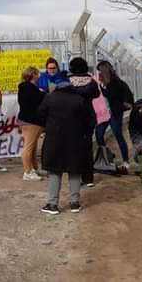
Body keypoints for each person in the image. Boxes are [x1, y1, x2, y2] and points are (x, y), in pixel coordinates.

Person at [37, 75, 97, 215]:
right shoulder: (79, 99)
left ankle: (52, 204)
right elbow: (90, 120)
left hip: (54, 139)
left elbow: (40, 116)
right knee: (74, 170)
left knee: (54, 170)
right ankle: (74, 203)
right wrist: (84, 133)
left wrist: (48, 127)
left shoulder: (50, 98)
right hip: (75, 139)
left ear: (57, 86)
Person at [67, 57, 100, 187]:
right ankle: (88, 178)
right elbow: (97, 95)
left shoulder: (68, 82)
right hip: (88, 118)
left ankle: (76, 176)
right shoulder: (91, 82)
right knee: (87, 148)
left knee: (73, 148)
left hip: (71, 119)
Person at [95, 60, 133, 170]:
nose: (98, 74)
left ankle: (126, 160)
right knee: (99, 134)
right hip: (103, 114)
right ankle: (107, 156)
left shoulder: (116, 82)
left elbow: (112, 94)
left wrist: (100, 87)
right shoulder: (99, 83)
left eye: (99, 72)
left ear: (104, 71)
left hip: (115, 114)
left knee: (118, 135)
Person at [17, 66, 45, 181]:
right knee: (29, 147)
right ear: (33, 75)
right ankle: (27, 172)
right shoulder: (30, 88)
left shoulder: (25, 88)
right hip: (31, 122)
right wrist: (42, 93)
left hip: (27, 120)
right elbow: (38, 100)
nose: (39, 76)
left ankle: (34, 168)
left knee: (32, 147)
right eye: (38, 74)